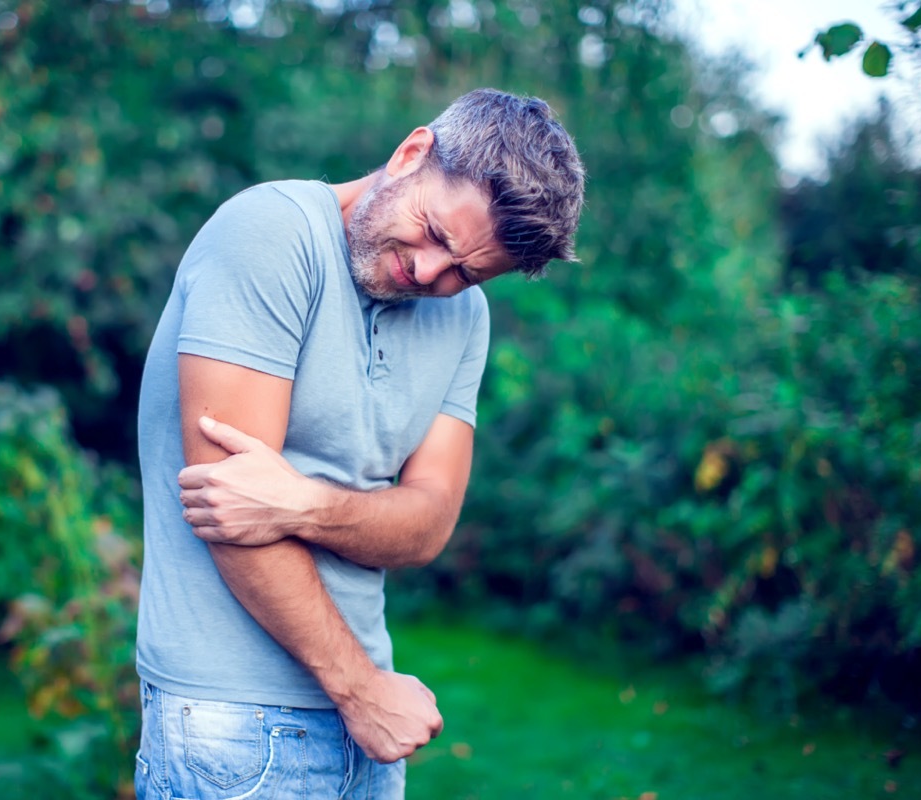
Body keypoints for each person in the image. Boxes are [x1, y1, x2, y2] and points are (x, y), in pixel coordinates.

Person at [134, 88, 585, 800]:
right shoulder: (271, 233)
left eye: (467, 270)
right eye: (435, 233)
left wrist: (304, 505)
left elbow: (428, 524)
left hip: (370, 730)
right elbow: (228, 510)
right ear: (411, 154)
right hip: (234, 723)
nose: (433, 275)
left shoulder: (464, 317)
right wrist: (359, 689)